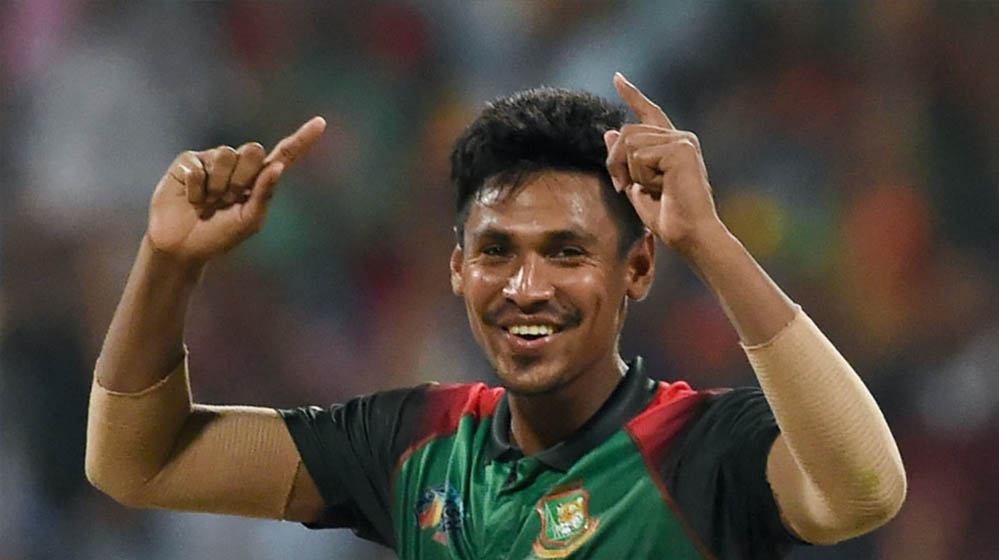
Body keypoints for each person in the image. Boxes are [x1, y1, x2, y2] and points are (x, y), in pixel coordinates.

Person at [85, 73, 906, 559]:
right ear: (457, 269)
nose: (525, 287)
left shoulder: (701, 448)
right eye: (495, 251)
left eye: (566, 252)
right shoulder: (413, 445)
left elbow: (865, 491)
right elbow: (138, 463)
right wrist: (169, 261)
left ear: (638, 268)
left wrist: (710, 241)